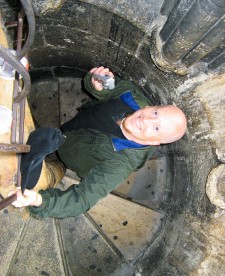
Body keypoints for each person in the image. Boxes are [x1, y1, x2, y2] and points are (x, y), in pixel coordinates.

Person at [10, 66, 187, 218]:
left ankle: (58, 169)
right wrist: (95, 84)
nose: (146, 120)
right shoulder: (134, 96)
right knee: (47, 139)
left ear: (156, 142)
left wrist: (39, 200)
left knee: (53, 165)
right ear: (151, 106)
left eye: (156, 128)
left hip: (71, 156)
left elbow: (82, 200)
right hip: (72, 129)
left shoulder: (118, 166)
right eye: (155, 113)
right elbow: (107, 88)